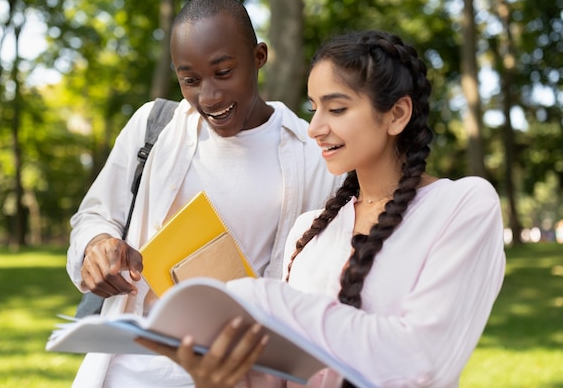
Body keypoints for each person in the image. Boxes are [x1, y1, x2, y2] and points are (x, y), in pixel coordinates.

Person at [137, 29, 507, 387]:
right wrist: (219, 376)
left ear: (397, 114)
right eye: (314, 108)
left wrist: (267, 299)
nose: (314, 127)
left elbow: (423, 362)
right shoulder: (309, 231)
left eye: (337, 108)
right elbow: (282, 374)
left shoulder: (463, 206)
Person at [66, 0, 342, 387]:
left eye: (224, 72)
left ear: (259, 56)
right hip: (128, 371)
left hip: (235, 377)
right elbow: (93, 216)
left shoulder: (312, 155)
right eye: (190, 80)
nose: (208, 97)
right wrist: (96, 247)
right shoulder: (154, 127)